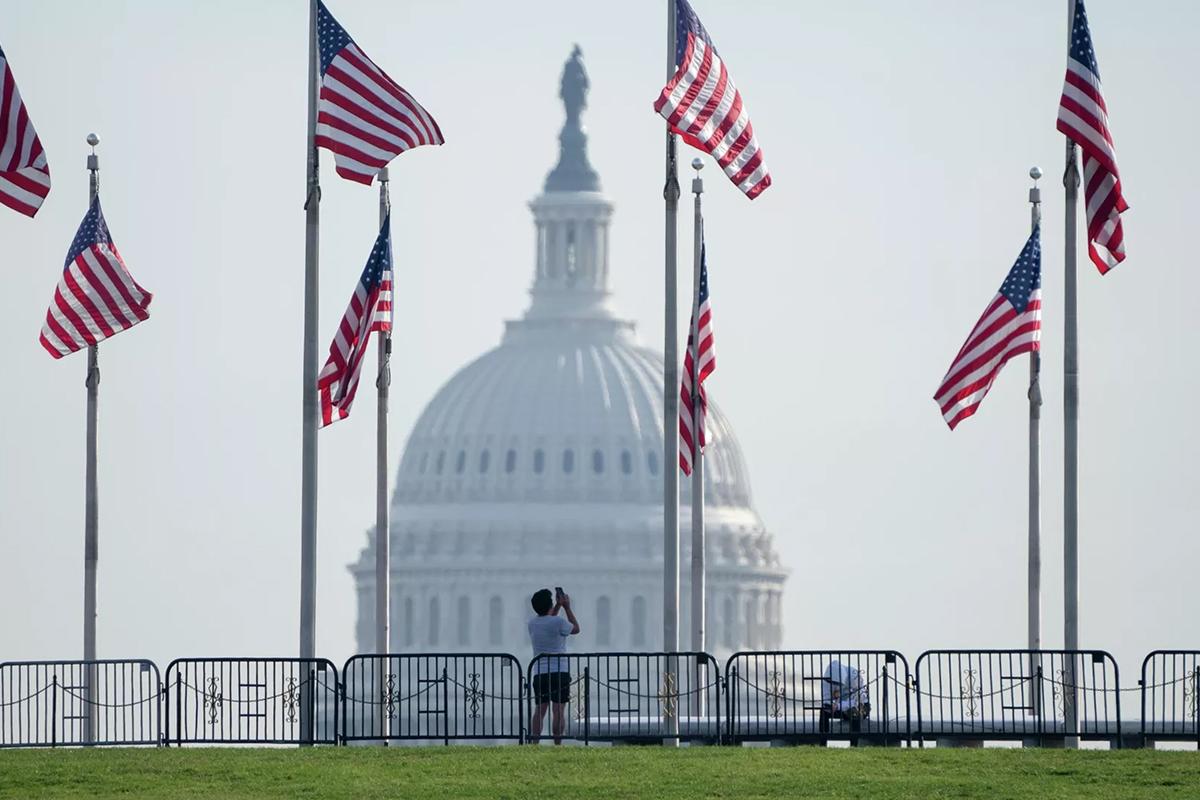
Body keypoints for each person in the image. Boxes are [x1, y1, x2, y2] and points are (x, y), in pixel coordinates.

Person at [527, 587, 580, 744]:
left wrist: (556, 606)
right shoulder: (558, 622)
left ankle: (535, 743)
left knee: (539, 710)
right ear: (549, 605)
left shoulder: (532, 623)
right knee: (558, 711)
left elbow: (548, 620)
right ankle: (558, 744)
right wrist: (567, 607)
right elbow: (576, 629)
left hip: (540, 672)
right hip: (559, 671)